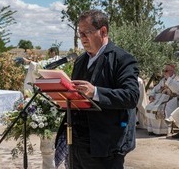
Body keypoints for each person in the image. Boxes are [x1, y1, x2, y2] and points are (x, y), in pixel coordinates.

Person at [54, 9, 140, 169]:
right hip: (77, 143)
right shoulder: (80, 61)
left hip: (105, 146)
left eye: (87, 33)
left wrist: (95, 92)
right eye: (80, 34)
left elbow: (131, 96)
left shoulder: (122, 59)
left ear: (103, 31)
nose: (83, 39)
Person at [145, 64, 179, 135]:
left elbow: (177, 89)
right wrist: (151, 95)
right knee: (149, 107)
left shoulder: (176, 79)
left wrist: (169, 80)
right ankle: (152, 130)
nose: (164, 72)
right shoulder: (163, 80)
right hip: (160, 98)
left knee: (160, 109)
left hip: (171, 99)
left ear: (172, 71)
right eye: (164, 70)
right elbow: (155, 89)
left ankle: (162, 131)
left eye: (166, 70)